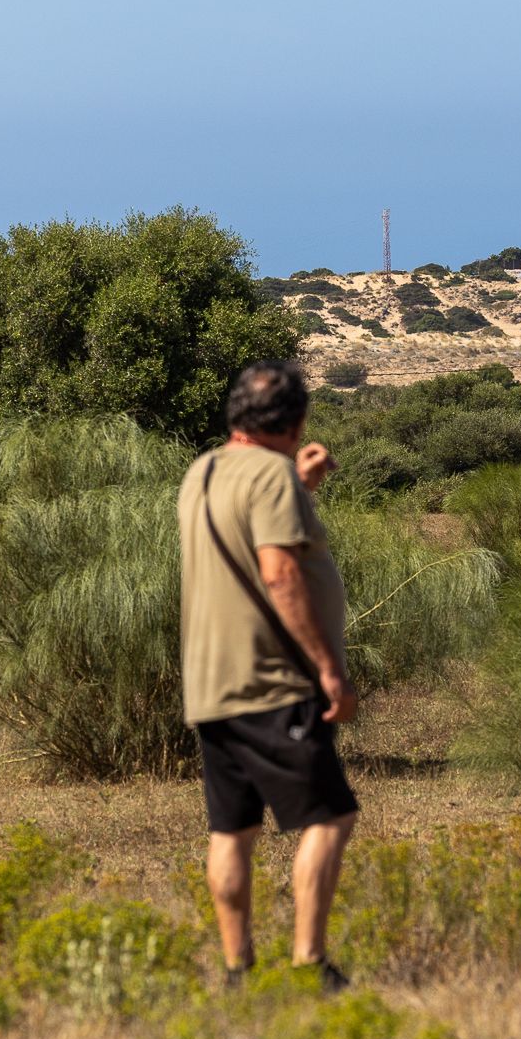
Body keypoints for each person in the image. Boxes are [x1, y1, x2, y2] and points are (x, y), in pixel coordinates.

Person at [178, 360, 358, 992]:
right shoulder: (273, 475)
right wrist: (329, 668)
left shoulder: (201, 471)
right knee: (329, 815)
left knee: (232, 829)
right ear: (297, 419)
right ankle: (310, 963)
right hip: (273, 680)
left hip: (209, 684)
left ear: (237, 416)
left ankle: (236, 968)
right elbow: (278, 572)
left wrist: (298, 486)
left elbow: (244, 523)